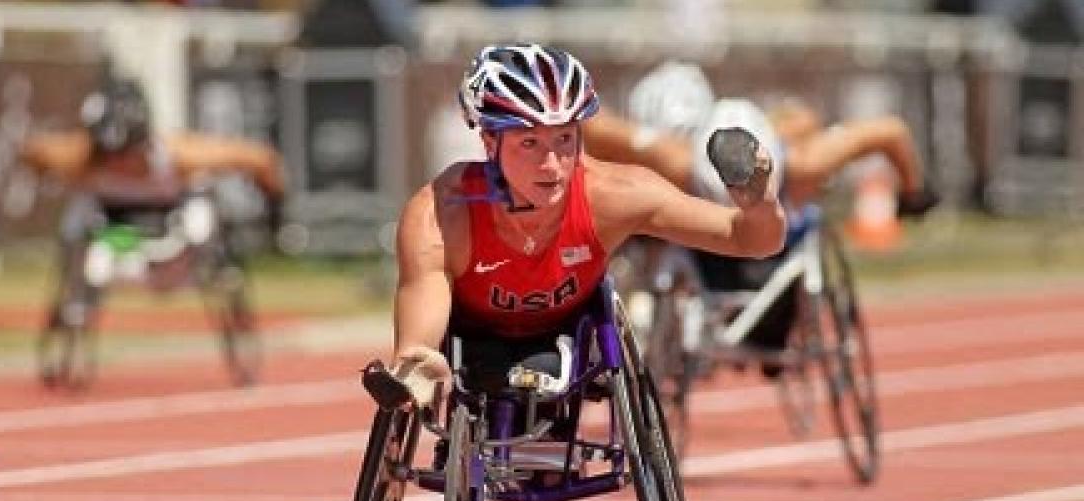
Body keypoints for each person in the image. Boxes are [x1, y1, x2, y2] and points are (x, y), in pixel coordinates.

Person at [362, 43, 785, 410]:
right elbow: (419, 341)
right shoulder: (440, 213)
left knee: (551, 368)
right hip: (472, 337)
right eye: (530, 143)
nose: (552, 164)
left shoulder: (614, 194)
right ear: (490, 142)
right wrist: (418, 366)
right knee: (456, 371)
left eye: (564, 139)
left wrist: (758, 199)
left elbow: (750, 239)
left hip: (567, 338)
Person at [580, 61, 939, 362]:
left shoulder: (801, 162)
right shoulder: (672, 157)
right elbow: (889, 131)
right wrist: (913, 194)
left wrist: (913, 192)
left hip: (772, 231)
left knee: (803, 121)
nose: (735, 202)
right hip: (701, 232)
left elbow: (887, 131)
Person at [20, 77, 286, 257]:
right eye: (108, 152)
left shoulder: (178, 154)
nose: (118, 161)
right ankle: (72, 315)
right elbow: (33, 151)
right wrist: (56, 177)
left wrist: (276, 208)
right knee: (78, 212)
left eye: (125, 151)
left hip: (172, 243)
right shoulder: (79, 156)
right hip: (109, 240)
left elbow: (259, 157)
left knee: (202, 215)